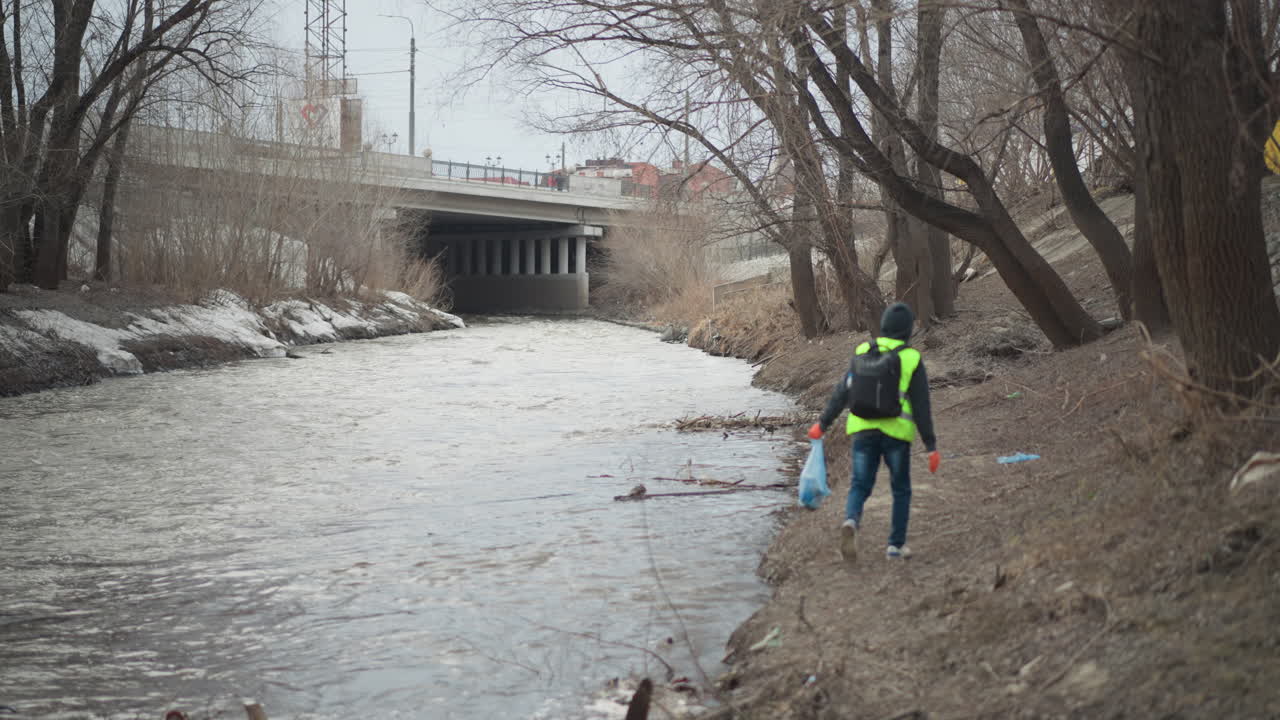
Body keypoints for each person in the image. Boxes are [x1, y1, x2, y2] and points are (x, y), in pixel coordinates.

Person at [808, 302, 940, 562]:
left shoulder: (863, 350)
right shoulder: (911, 358)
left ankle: (851, 520)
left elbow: (842, 392)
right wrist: (931, 445)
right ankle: (895, 546)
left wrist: (822, 424)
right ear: (907, 331)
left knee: (859, 484)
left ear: (884, 327)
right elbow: (921, 406)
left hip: (863, 430)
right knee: (900, 489)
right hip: (897, 434)